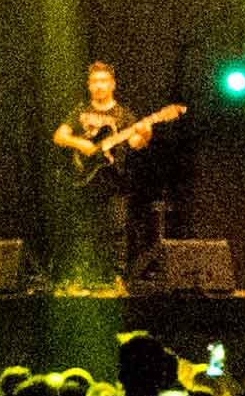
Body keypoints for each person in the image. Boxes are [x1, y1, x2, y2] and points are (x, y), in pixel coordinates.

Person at [48, 64, 171, 287]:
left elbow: (135, 143)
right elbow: (59, 136)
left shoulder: (124, 115)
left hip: (116, 182)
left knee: (117, 232)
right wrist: (82, 144)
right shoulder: (80, 111)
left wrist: (146, 133)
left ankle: (117, 279)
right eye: (95, 81)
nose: (99, 85)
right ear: (89, 85)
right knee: (82, 232)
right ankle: (82, 278)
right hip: (84, 181)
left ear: (113, 84)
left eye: (104, 80)